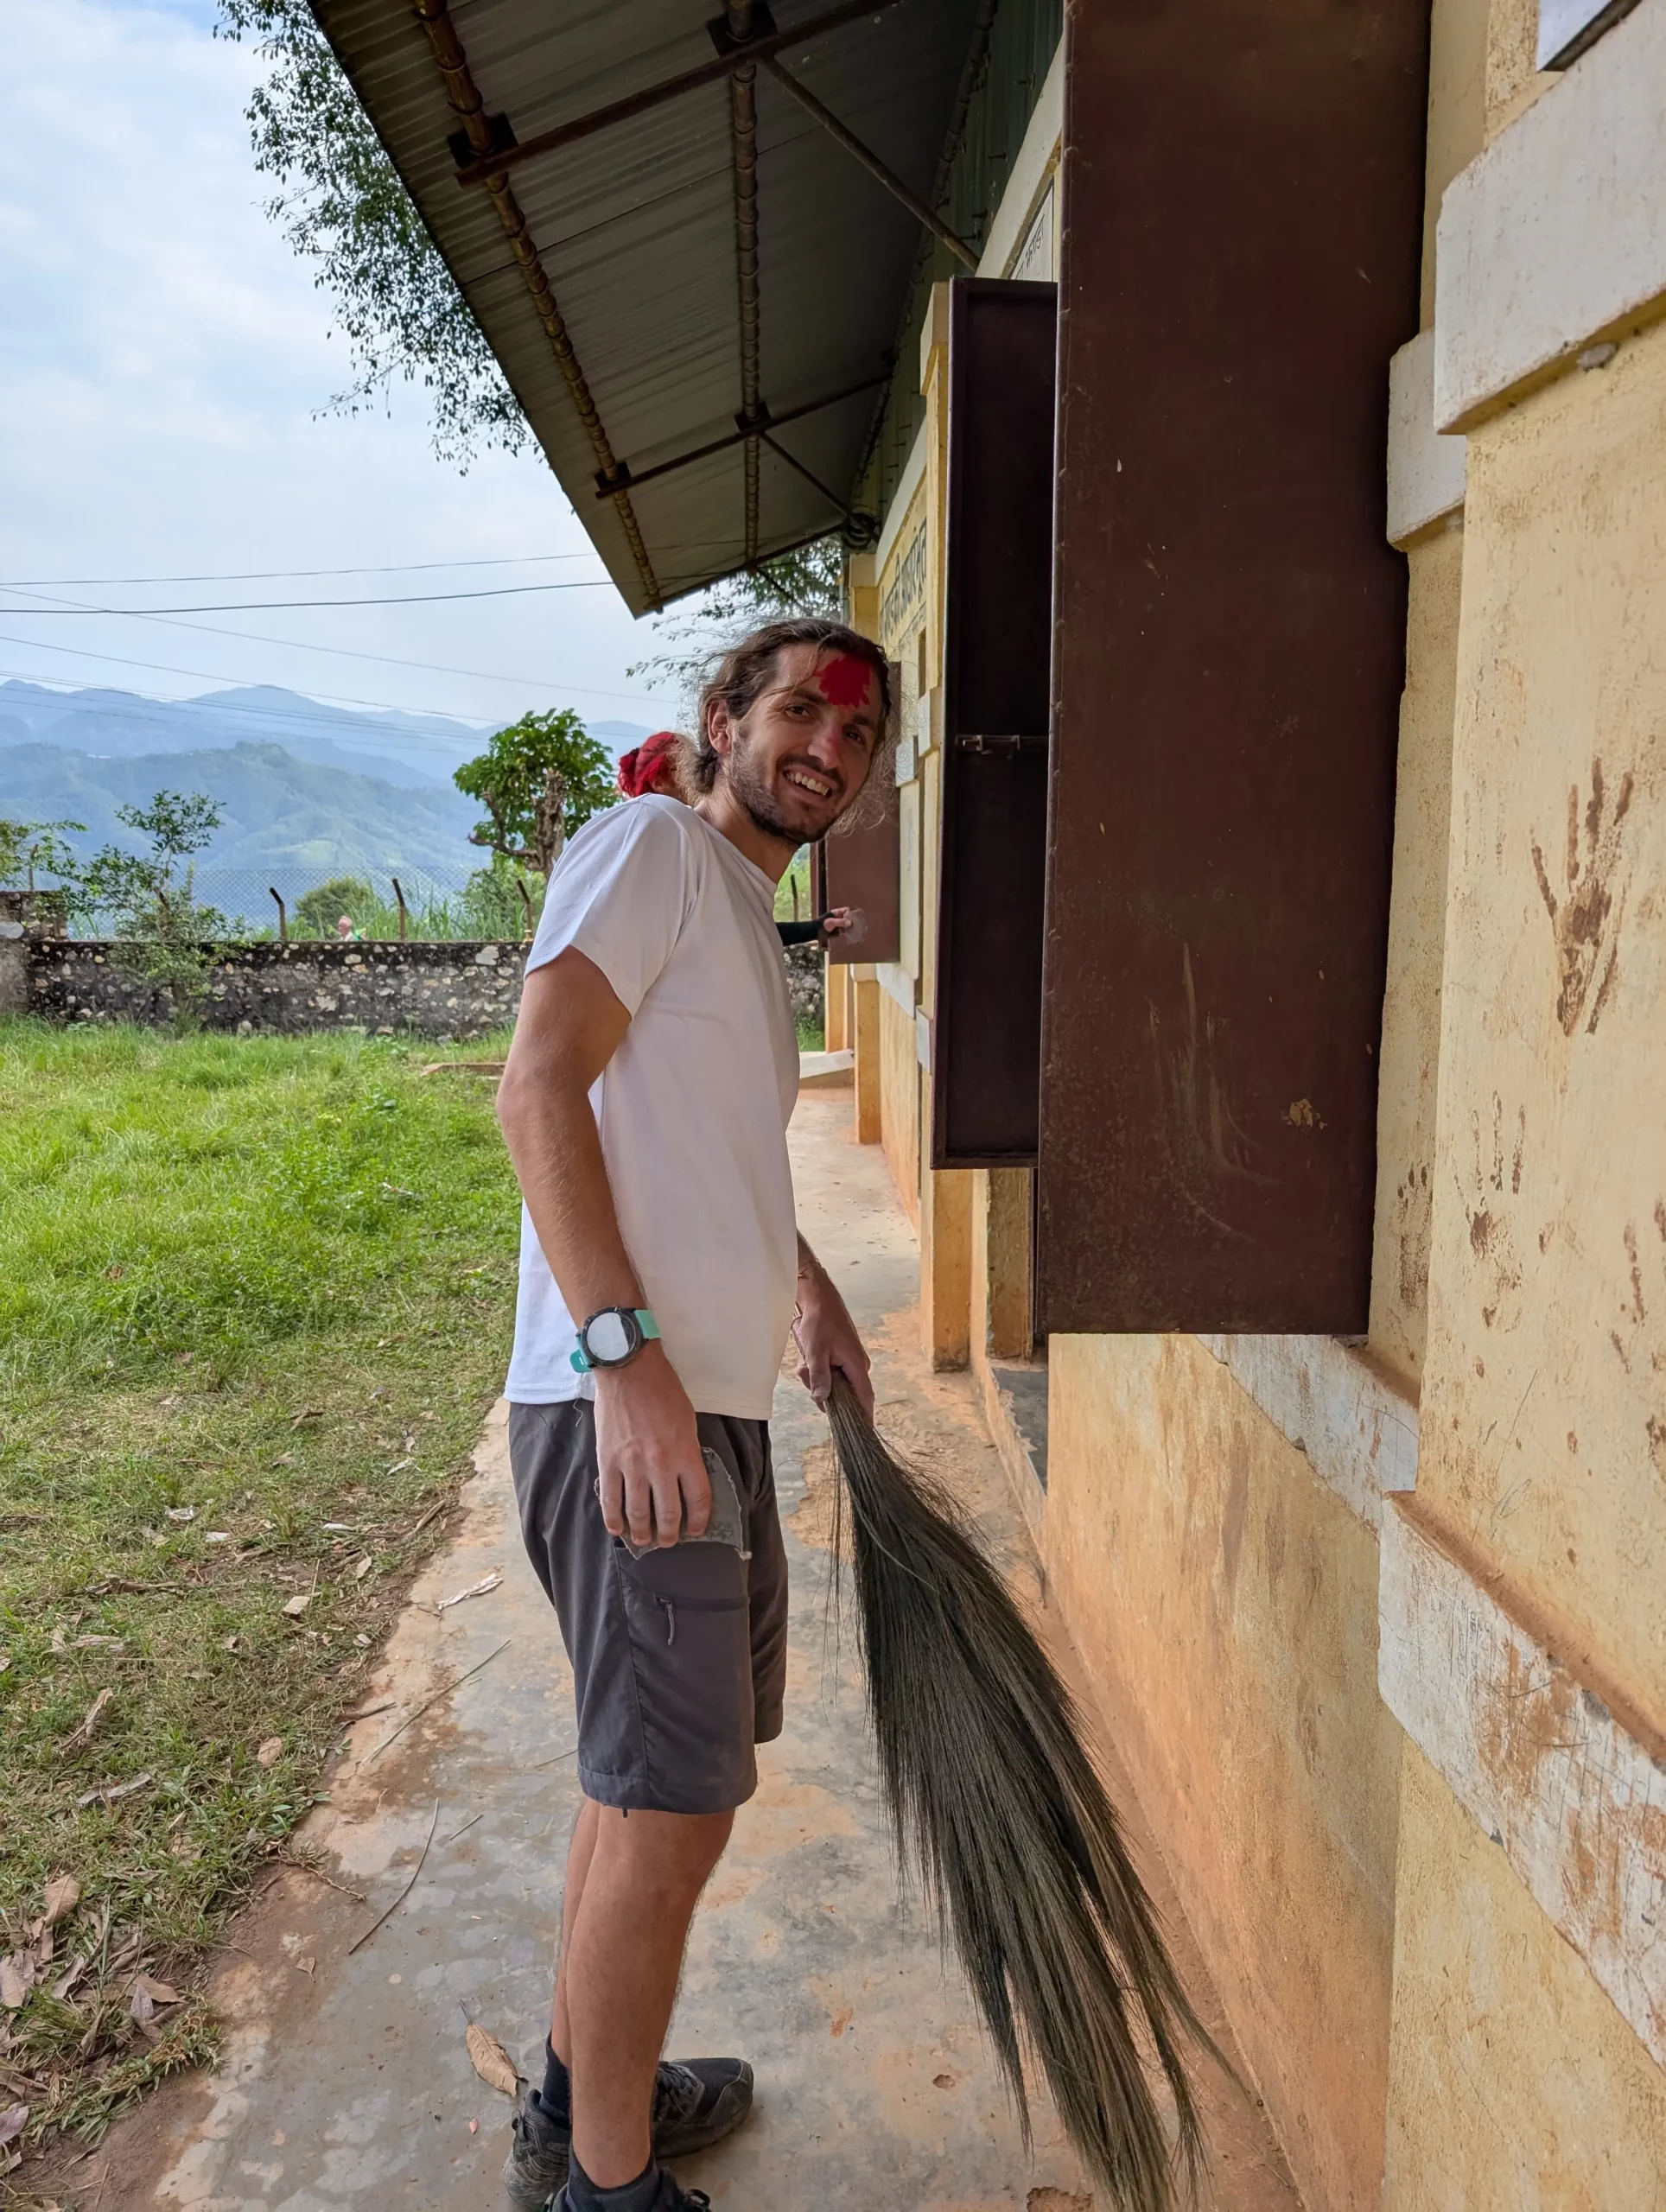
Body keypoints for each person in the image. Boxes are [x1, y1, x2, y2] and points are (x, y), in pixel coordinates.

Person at [496, 618, 888, 2212]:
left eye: (859, 735)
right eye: (801, 711)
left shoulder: (734, 905)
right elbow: (536, 1085)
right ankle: (603, 2186)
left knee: (643, 1791)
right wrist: (625, 1365)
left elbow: (690, 1136)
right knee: (672, 1816)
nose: (830, 748)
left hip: (707, 1406)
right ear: (721, 717)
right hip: (639, 1406)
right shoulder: (654, 844)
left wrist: (803, 1284)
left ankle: (584, 2083)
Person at [617, 730, 858, 949]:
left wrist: (815, 928)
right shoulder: (661, 838)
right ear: (659, 781)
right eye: (683, 766)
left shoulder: (694, 838)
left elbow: (737, 929)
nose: (697, 771)